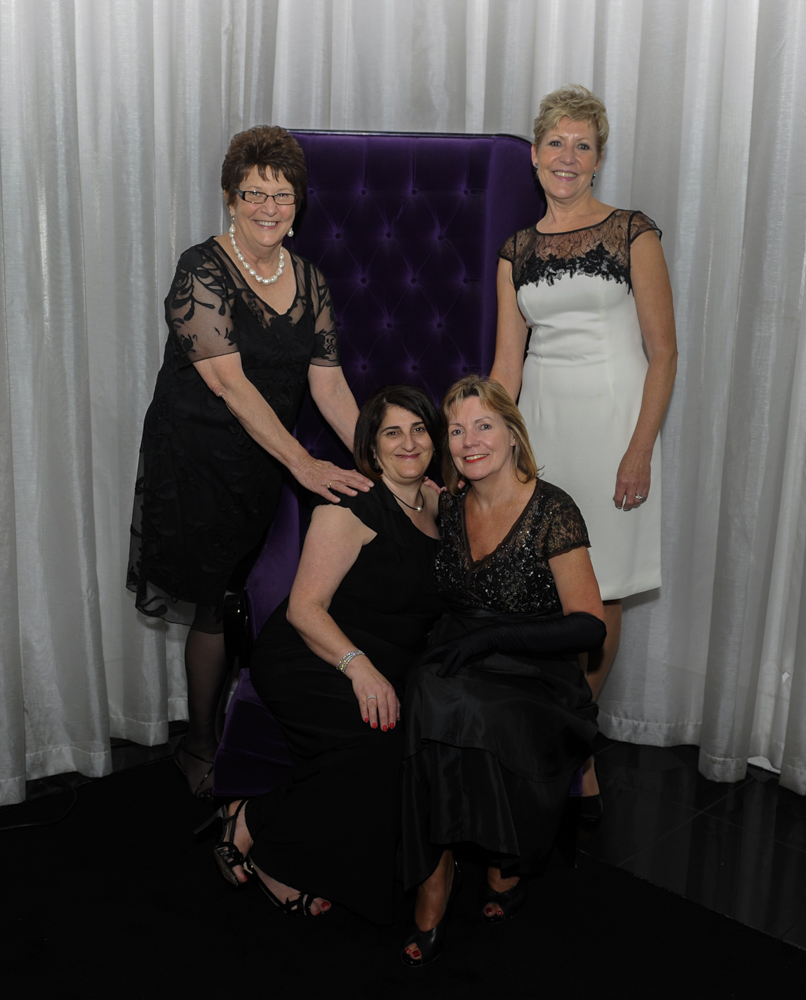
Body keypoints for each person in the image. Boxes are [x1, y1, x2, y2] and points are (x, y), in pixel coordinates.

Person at [127, 126, 373, 797]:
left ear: (299, 203)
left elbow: (329, 387)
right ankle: (200, 745)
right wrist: (305, 464)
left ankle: (249, 733)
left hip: (267, 463)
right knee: (214, 607)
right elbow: (230, 385)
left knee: (258, 599)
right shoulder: (200, 269)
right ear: (230, 198)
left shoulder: (310, 278)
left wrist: (384, 463)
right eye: (254, 193)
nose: (269, 206)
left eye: (282, 194)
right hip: (198, 462)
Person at [490, 84, 677, 803]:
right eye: (555, 143)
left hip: (614, 425)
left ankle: (576, 742)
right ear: (535, 155)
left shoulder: (634, 232)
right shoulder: (514, 250)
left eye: (583, 145)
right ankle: (550, 737)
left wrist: (640, 449)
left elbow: (664, 353)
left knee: (604, 586)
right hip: (542, 426)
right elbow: (507, 366)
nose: (567, 157)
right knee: (544, 584)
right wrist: (487, 446)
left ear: (598, 159)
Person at [211, 385, 444, 924]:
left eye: (418, 429)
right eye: (392, 432)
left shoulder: (437, 503)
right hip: (312, 652)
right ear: (371, 447)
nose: (408, 442)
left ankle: (251, 815)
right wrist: (360, 669)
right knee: (374, 740)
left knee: (407, 739)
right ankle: (269, 850)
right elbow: (304, 608)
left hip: (384, 660)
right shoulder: (350, 505)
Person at [400, 375, 605, 966]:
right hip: (458, 650)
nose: (469, 441)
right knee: (428, 691)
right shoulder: (449, 505)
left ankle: (504, 854)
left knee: (473, 707)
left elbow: (590, 626)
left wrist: (496, 635)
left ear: (513, 434)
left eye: (483, 425)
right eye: (456, 430)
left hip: (534, 666)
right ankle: (436, 871)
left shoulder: (552, 509)